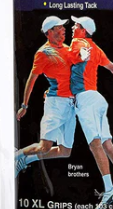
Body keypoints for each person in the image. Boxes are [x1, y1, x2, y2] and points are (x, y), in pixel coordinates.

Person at [69, 16, 113, 209]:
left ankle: (109, 189)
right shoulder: (96, 48)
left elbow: (79, 55)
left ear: (83, 30)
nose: (73, 27)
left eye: (76, 25)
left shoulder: (78, 42)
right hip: (98, 99)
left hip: (85, 99)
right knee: (107, 144)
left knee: (95, 144)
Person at [15, 16, 78, 176]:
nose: (63, 29)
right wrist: (24, 105)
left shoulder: (68, 49)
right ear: (49, 32)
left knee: (65, 151)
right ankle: (13, 157)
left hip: (71, 105)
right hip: (55, 104)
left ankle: (25, 160)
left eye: (63, 27)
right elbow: (31, 79)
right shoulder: (43, 53)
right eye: (59, 27)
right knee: (44, 147)